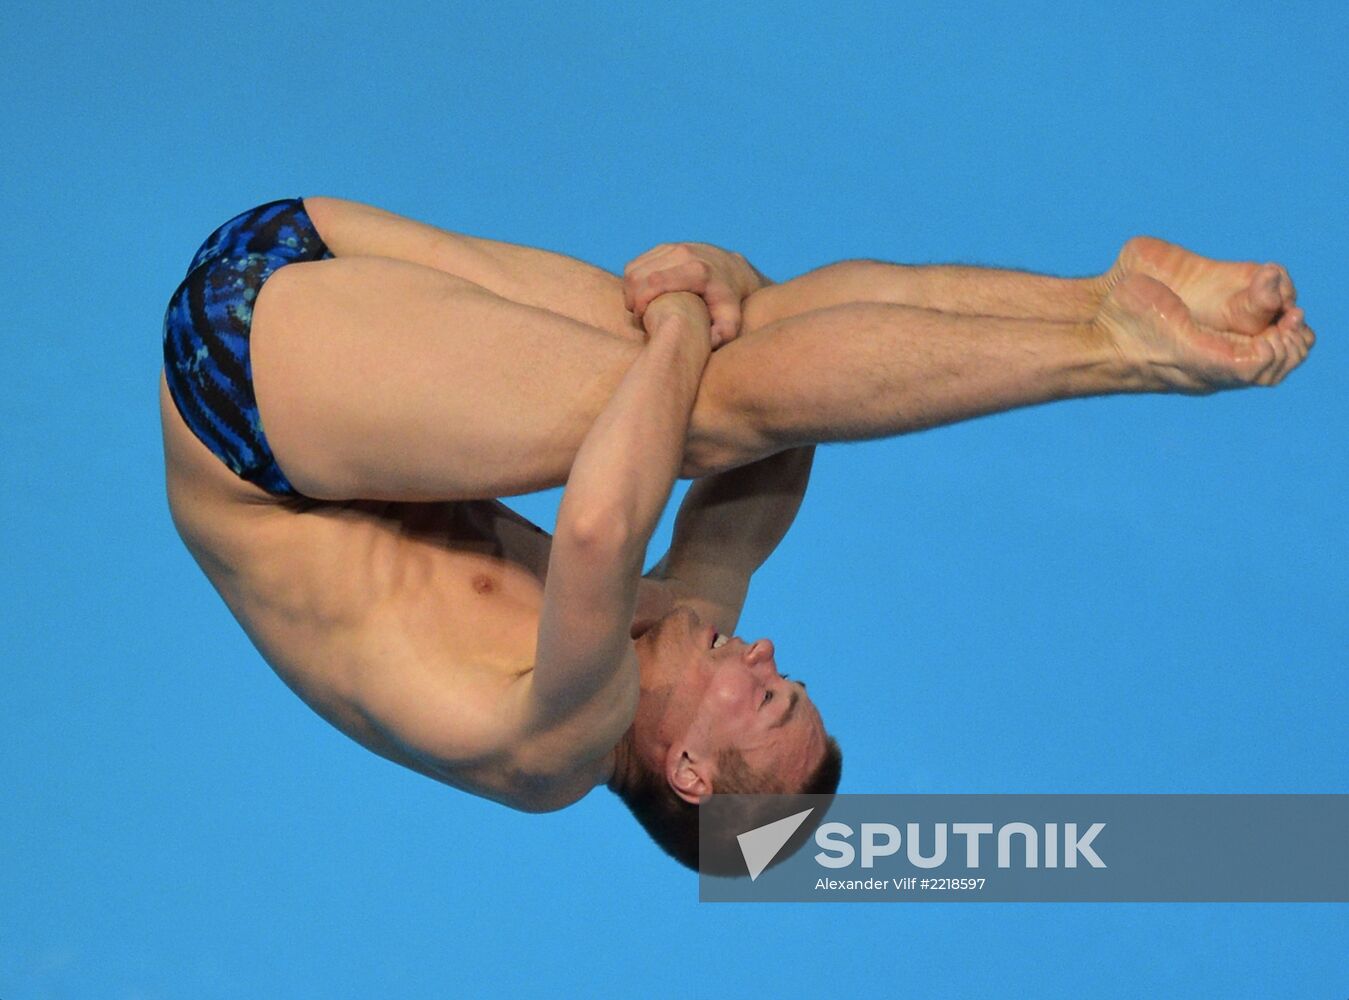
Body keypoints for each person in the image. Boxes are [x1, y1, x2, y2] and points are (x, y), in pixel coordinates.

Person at [160, 196, 1312, 869]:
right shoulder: (682, 636)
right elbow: (787, 428)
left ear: (692, 772)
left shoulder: (553, 745)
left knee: (695, 402)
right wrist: (723, 283)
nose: (759, 656)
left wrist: (674, 319)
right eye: (781, 674)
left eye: (764, 698)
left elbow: (606, 523)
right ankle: (1090, 297)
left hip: (243, 398)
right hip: (308, 246)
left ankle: (1118, 346)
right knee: (747, 340)